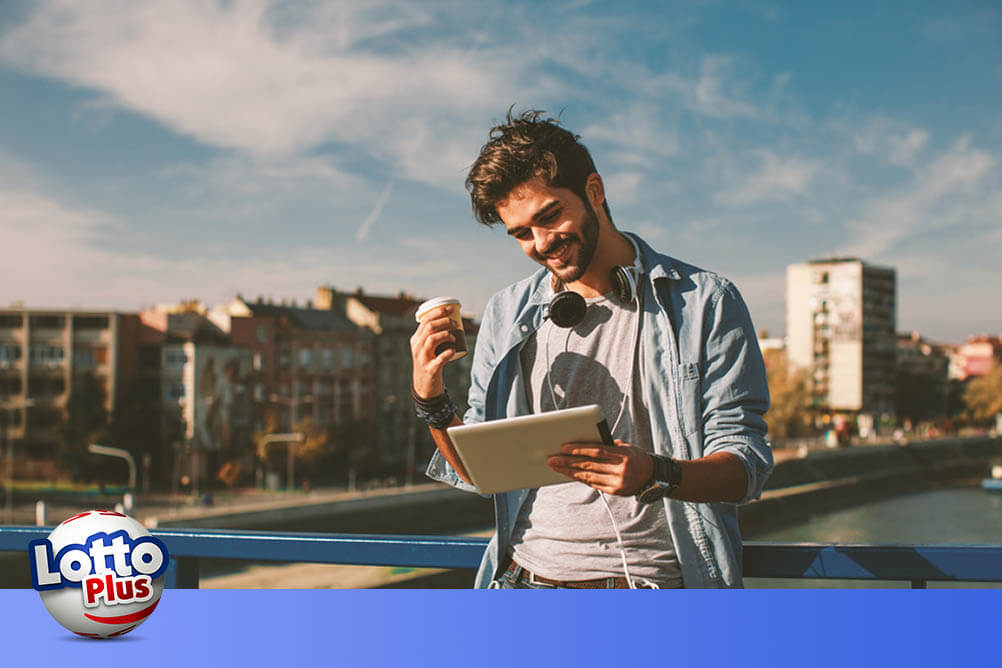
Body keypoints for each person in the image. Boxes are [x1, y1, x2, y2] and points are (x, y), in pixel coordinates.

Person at [411, 110, 772, 588]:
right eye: (521, 233)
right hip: (522, 583)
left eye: (550, 216)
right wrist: (431, 400)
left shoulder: (705, 302)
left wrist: (656, 473)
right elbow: (483, 474)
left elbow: (745, 466)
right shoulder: (505, 312)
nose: (541, 244)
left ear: (594, 192)